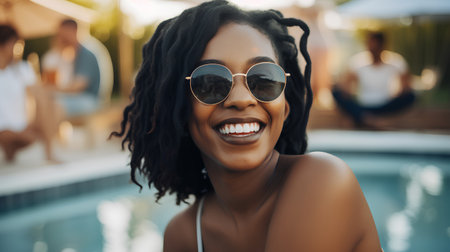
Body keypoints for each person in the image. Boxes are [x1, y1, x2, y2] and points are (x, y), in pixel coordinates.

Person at [113, 1, 382, 251]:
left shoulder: (322, 180)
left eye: (263, 79)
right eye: (210, 82)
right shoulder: (183, 234)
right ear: (179, 110)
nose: (242, 99)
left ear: (284, 107)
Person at [0, 24, 60, 162]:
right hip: (2, 130)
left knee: (52, 104)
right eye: (17, 44)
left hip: (22, 128)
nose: (20, 49)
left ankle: (49, 154)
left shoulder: (22, 69)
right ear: (5, 44)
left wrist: (36, 119)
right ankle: (10, 148)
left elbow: (40, 95)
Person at [333, 31, 415, 128]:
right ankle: (369, 119)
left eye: (376, 46)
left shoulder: (396, 62)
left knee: (411, 96)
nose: (372, 49)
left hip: (385, 105)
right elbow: (345, 88)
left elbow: (406, 87)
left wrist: (397, 94)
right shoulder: (357, 62)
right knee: (336, 91)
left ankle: (367, 120)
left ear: (383, 46)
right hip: (363, 106)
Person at [41, 19, 101, 117]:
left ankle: (50, 132)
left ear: (73, 31)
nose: (61, 39)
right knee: (48, 102)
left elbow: (77, 87)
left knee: (55, 105)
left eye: (63, 35)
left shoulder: (85, 55)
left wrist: (51, 90)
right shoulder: (73, 55)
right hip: (80, 98)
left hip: (90, 100)